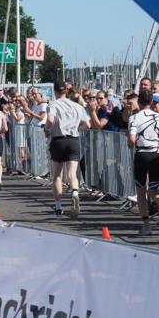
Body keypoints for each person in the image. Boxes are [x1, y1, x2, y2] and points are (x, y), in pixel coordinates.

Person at [128, 89, 159, 236]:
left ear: (139, 102)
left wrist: (131, 143)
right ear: (152, 102)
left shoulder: (134, 118)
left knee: (141, 191)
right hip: (156, 154)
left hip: (141, 154)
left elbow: (132, 140)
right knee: (154, 188)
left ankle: (146, 225)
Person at [45, 80, 90, 218]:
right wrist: (77, 127)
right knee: (72, 173)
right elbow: (87, 124)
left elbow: (51, 120)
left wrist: (47, 129)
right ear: (66, 91)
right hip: (73, 139)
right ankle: (75, 192)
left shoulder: (53, 104)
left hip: (59, 139)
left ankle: (58, 206)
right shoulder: (77, 106)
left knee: (57, 175)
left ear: (55, 91)